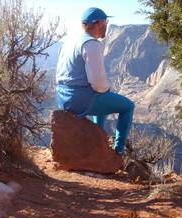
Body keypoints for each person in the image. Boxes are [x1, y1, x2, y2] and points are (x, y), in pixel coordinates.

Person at [55, 7, 135, 154]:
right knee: (128, 106)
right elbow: (98, 83)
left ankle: (98, 137)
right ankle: (119, 151)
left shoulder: (70, 41)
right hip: (79, 98)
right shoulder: (92, 44)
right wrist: (105, 90)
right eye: (106, 22)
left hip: (62, 96)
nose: (107, 25)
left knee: (101, 95)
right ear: (100, 23)